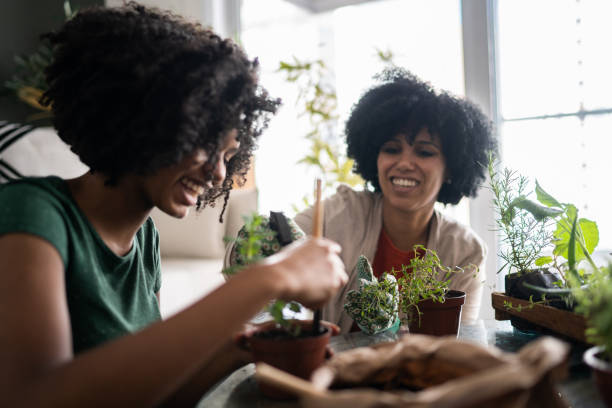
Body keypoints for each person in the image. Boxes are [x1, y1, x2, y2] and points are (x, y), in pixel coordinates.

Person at [0, 3, 347, 407]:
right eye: (206, 145)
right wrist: (267, 278)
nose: (219, 174)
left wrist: (241, 351)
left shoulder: (144, 237)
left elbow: (147, 390)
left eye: (229, 154)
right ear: (148, 120)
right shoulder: (33, 211)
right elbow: (30, 397)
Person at [295, 68, 496, 334]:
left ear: (451, 168)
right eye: (391, 149)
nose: (404, 163)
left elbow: (458, 342)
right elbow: (273, 245)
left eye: (424, 152)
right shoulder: (342, 212)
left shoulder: (465, 251)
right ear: (373, 156)